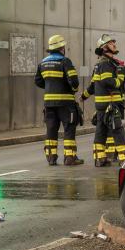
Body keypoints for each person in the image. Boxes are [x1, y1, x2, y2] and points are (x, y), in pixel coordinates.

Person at [81, 35, 125, 167]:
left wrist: (84, 96)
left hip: (102, 105)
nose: (114, 44)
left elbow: (93, 85)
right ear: (104, 47)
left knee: (101, 130)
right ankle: (124, 158)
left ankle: (100, 157)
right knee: (118, 130)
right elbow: (107, 81)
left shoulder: (103, 64)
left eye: (114, 42)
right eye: (110, 43)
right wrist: (120, 80)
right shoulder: (105, 64)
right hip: (109, 104)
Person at [35, 35, 84, 166]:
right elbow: (74, 81)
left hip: (49, 103)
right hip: (66, 103)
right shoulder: (65, 61)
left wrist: (50, 87)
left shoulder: (43, 63)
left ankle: (51, 158)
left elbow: (38, 81)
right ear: (62, 48)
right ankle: (70, 158)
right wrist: (73, 89)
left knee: (51, 129)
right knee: (69, 128)